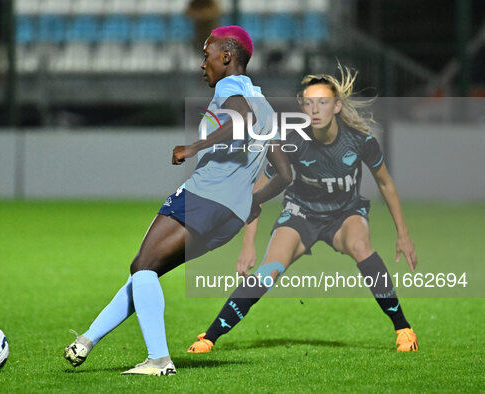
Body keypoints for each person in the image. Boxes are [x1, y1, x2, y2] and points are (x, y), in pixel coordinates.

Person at [63, 26, 292, 375]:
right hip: (229, 216)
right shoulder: (266, 106)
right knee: (146, 270)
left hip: (203, 197)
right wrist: (253, 201)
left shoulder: (230, 87)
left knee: (142, 267)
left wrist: (193, 148)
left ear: (226, 57)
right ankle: (88, 340)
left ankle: (158, 360)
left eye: (207, 55)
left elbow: (241, 123)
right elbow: (286, 175)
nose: (203, 64)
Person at [187, 65, 419, 354]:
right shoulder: (292, 142)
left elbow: (385, 183)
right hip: (301, 214)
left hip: (344, 215)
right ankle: (209, 338)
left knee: (361, 245)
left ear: (337, 106)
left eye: (322, 102)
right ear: (302, 107)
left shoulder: (361, 141)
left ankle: (403, 329)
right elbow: (257, 194)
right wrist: (248, 245)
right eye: (309, 103)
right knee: (267, 272)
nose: (315, 109)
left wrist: (404, 235)